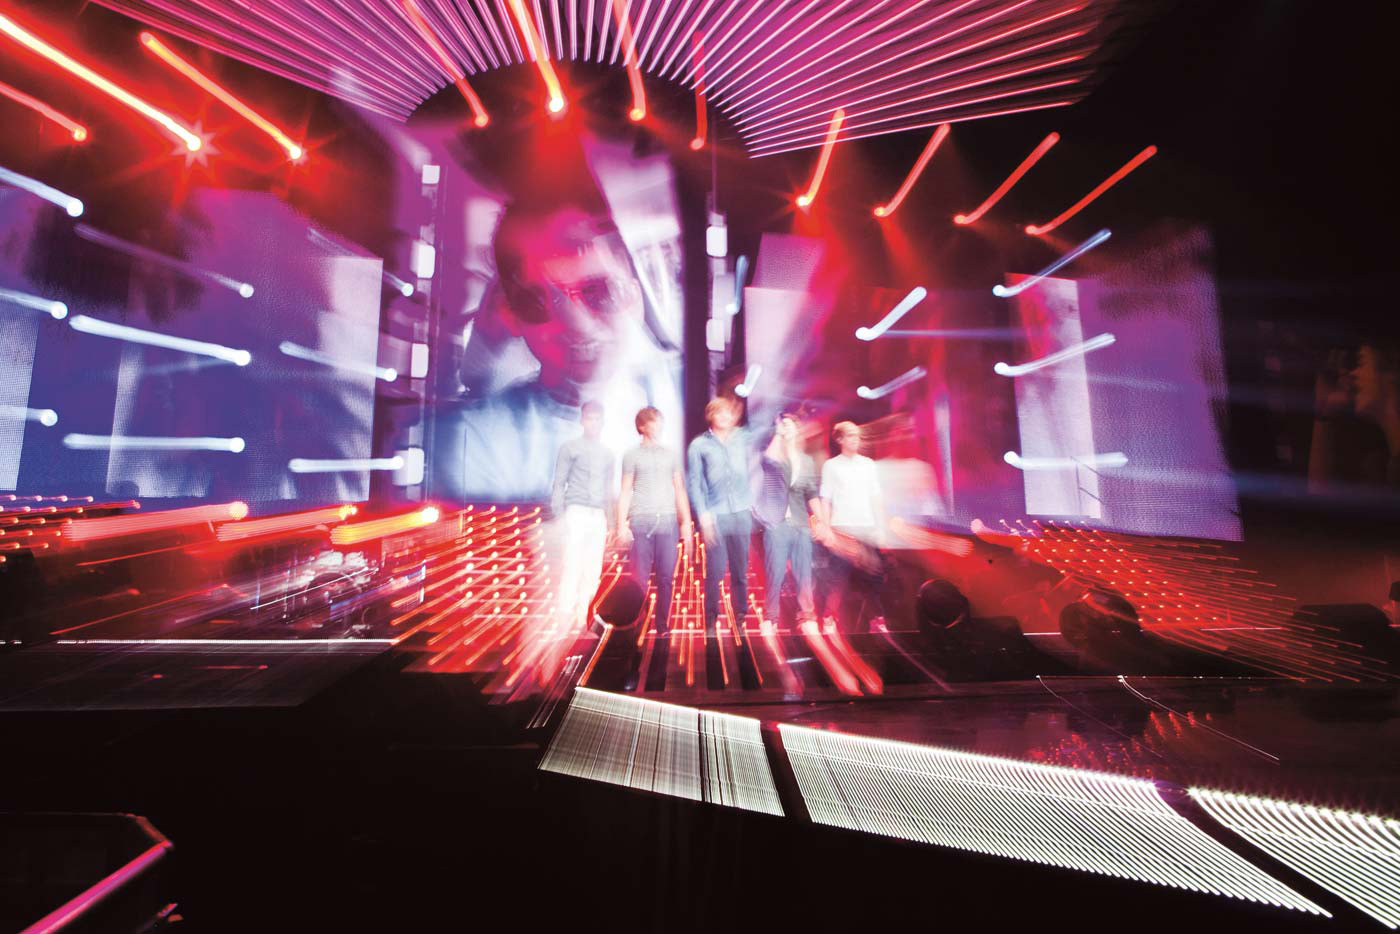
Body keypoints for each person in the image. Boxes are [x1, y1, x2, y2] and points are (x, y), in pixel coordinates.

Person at [434, 197, 678, 503]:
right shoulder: (473, 444)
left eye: (599, 291)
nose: (579, 324)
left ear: (634, 294)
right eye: (536, 302)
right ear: (510, 315)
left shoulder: (685, 398)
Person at [616, 406, 693, 634]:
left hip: (667, 521)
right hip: (641, 521)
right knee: (639, 578)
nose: (659, 426)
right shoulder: (631, 455)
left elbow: (679, 489)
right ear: (642, 426)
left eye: (660, 421)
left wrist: (686, 523)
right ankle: (637, 624)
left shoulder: (670, 454)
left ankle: (662, 625)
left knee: (666, 576)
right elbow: (625, 490)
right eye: (653, 421)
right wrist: (621, 525)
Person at [687, 397, 755, 636]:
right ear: (711, 416)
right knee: (715, 572)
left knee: (740, 572)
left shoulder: (743, 437)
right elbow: (695, 484)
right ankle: (710, 621)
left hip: (741, 513)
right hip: (716, 516)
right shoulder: (699, 445)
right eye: (720, 412)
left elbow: (765, 437)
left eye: (728, 412)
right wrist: (703, 516)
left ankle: (740, 618)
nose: (725, 416)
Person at [813, 420, 889, 633]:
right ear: (840, 439)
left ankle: (877, 620)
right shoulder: (831, 466)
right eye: (851, 436)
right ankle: (829, 619)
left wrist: (880, 527)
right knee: (837, 578)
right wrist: (827, 528)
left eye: (857, 436)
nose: (856, 440)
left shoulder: (868, 465)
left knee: (873, 576)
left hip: (866, 527)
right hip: (842, 528)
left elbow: (876, 497)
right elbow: (826, 499)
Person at [550, 401, 615, 632]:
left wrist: (611, 523)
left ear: (603, 422)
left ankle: (582, 619)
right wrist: (560, 515)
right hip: (576, 512)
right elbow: (559, 482)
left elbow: (608, 491)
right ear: (582, 420)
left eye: (597, 419)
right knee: (572, 565)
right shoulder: (569, 448)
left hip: (598, 515)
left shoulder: (608, 454)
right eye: (589, 418)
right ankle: (564, 619)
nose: (593, 423)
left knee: (593, 570)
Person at [756, 412, 818, 630]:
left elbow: (812, 493)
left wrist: (822, 522)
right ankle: (770, 618)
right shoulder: (775, 455)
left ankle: (807, 617)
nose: (787, 427)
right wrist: (778, 434)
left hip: (801, 523)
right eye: (784, 425)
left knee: (804, 573)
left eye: (791, 425)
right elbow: (767, 461)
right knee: (775, 572)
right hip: (778, 522)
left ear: (798, 429)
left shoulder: (806, 461)